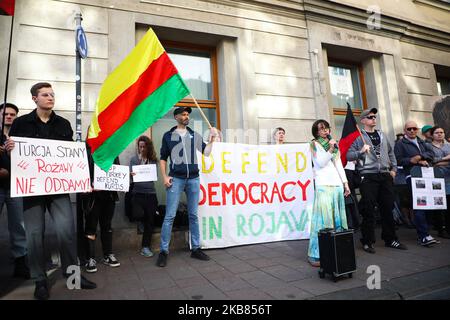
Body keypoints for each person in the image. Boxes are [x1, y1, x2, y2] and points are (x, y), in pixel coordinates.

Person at [5, 82, 96, 300]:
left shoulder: (63, 124)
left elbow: (70, 158)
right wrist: (10, 152)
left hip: (58, 188)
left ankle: (73, 275)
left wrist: (83, 179)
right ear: (34, 99)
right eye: (45, 94)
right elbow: (16, 158)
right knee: (34, 236)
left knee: (66, 231)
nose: (50, 97)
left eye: (52, 94)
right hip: (32, 189)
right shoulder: (20, 123)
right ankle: (40, 281)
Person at [157, 106, 217, 267]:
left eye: (187, 114)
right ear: (176, 117)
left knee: (193, 215)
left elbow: (206, 153)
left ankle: (196, 248)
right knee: (169, 216)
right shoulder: (168, 136)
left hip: (193, 180)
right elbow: (163, 158)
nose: (186, 116)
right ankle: (163, 251)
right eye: (183, 114)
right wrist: (164, 176)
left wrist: (212, 139)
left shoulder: (194, 135)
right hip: (175, 179)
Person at [347, 108, 407, 254]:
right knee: (368, 209)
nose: (373, 119)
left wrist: (393, 170)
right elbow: (348, 155)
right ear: (363, 120)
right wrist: (360, 151)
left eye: (374, 117)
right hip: (368, 176)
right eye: (370, 117)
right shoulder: (358, 137)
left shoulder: (382, 134)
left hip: (385, 176)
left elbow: (391, 153)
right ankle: (368, 241)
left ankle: (390, 238)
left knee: (387, 208)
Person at [308, 120, 350, 267]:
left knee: (337, 220)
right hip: (323, 185)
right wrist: (331, 149)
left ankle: (337, 251)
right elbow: (320, 162)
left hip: (337, 184)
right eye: (321, 129)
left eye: (326, 128)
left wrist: (345, 183)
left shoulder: (334, 145)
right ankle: (316, 253)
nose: (325, 131)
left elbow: (338, 164)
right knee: (322, 221)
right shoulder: (314, 144)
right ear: (316, 132)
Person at [394, 120, 438, 247]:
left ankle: (427, 233)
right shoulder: (400, 143)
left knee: (428, 204)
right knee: (420, 205)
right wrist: (412, 161)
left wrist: (419, 158)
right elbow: (398, 160)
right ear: (405, 131)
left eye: (414, 128)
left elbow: (432, 154)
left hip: (427, 175)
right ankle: (423, 235)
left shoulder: (421, 141)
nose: (412, 131)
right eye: (409, 129)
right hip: (412, 176)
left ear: (417, 129)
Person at [82, 137, 121, 273]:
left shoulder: (112, 151)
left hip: (108, 195)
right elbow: (78, 172)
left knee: (107, 226)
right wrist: (90, 184)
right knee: (91, 227)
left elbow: (117, 171)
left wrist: (126, 175)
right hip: (92, 197)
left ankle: (108, 255)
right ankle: (90, 259)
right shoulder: (84, 151)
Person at [0, 103, 29, 279]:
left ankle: (20, 261)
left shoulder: (22, 136)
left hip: (15, 186)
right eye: (6, 114)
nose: (9, 117)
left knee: (18, 225)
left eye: (13, 114)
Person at [129, 135, 159, 258]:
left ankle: (145, 247)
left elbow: (154, 175)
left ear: (148, 147)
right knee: (138, 214)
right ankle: (141, 221)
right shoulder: (134, 159)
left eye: (143, 146)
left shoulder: (153, 160)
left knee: (150, 221)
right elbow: (130, 176)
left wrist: (145, 163)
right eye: (140, 146)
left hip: (150, 193)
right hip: (138, 192)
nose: (141, 149)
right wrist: (131, 173)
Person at [428, 126, 450, 239]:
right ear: (432, 135)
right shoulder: (429, 147)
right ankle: (441, 229)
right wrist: (446, 159)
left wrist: (438, 161)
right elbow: (431, 163)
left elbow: (436, 162)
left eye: (442, 132)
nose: (440, 134)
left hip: (448, 178)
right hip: (435, 179)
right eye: (437, 133)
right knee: (439, 205)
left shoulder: (448, 146)